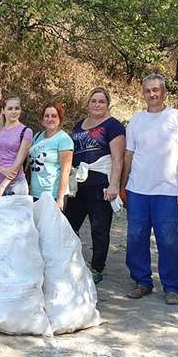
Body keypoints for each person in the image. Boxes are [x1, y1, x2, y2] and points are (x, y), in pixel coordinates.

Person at [121, 73, 178, 305]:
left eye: (156, 90)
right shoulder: (136, 120)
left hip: (168, 191)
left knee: (168, 239)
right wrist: (123, 186)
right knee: (135, 237)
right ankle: (142, 281)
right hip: (138, 190)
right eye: (147, 90)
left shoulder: (176, 117)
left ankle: (172, 287)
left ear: (163, 92)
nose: (152, 94)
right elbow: (128, 155)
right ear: (143, 94)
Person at [64, 87, 125, 285]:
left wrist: (114, 185)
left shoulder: (113, 126)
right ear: (88, 104)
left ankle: (97, 267)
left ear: (108, 105)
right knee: (69, 224)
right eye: (93, 101)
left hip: (101, 183)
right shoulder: (79, 125)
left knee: (99, 228)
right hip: (79, 184)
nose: (97, 104)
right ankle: (70, 262)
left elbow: (117, 159)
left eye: (101, 101)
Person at [27, 102, 73, 210]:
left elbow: (65, 171)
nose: (50, 119)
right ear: (42, 119)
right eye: (47, 116)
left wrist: (60, 198)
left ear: (60, 119)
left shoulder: (63, 139)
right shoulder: (37, 136)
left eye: (54, 116)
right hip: (35, 193)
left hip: (53, 194)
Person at [0, 97, 33, 197]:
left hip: (16, 185)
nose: (14, 112)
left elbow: (19, 162)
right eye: (10, 108)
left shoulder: (26, 131)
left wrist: (2, 187)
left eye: (17, 108)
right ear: (3, 111)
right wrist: (2, 170)